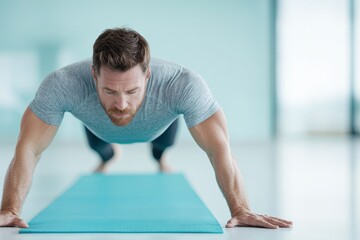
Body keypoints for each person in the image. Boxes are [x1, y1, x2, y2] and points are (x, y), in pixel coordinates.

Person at [0, 27, 292, 229]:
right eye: (110, 91)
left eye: (132, 91)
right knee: (103, 150)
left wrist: (240, 209)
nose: (122, 104)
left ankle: (161, 158)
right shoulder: (62, 84)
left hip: (158, 125)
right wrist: (10, 209)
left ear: (148, 75)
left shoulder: (182, 85)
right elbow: (29, 148)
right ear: (93, 74)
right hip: (99, 126)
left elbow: (219, 150)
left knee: (161, 147)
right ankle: (109, 155)